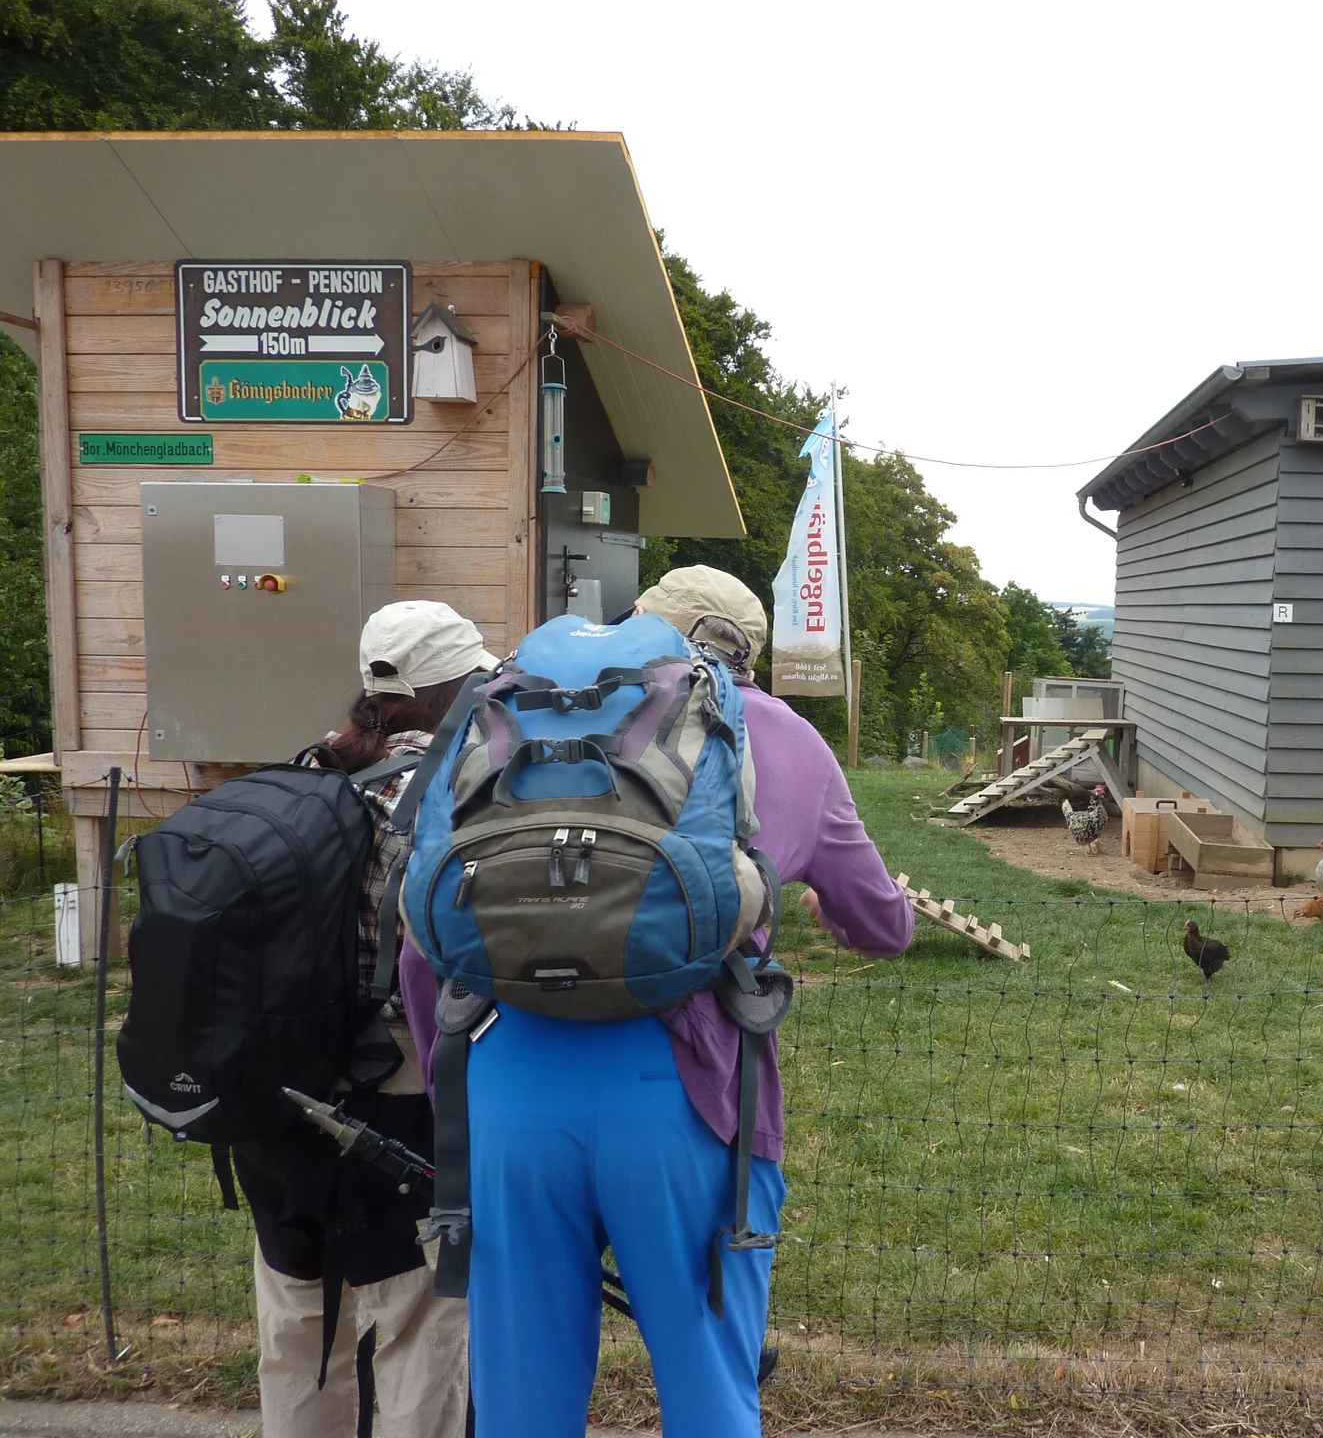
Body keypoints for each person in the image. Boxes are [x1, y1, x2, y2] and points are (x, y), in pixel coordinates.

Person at [399, 566, 914, 1438]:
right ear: (749, 656)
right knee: (710, 1391)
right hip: (691, 1099)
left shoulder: (518, 714)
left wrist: (455, 1091)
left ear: (640, 626)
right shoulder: (787, 741)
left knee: (521, 1405)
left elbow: (424, 941)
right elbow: (883, 926)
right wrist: (847, 906)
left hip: (512, 1086)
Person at [231, 601, 495, 1438]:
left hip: (276, 1094)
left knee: (297, 1321)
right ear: (453, 689)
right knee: (420, 1318)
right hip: (399, 1090)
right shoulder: (458, 792)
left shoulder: (306, 770)